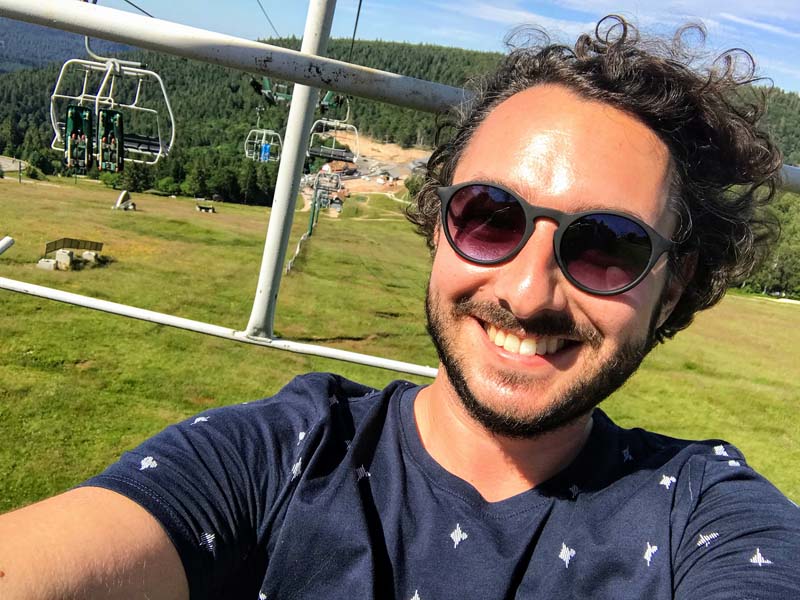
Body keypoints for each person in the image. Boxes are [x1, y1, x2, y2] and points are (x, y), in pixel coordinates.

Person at [1, 15, 798, 599]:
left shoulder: (706, 519)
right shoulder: (279, 457)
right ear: (439, 225)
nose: (527, 292)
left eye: (608, 247)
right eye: (490, 217)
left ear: (674, 286)